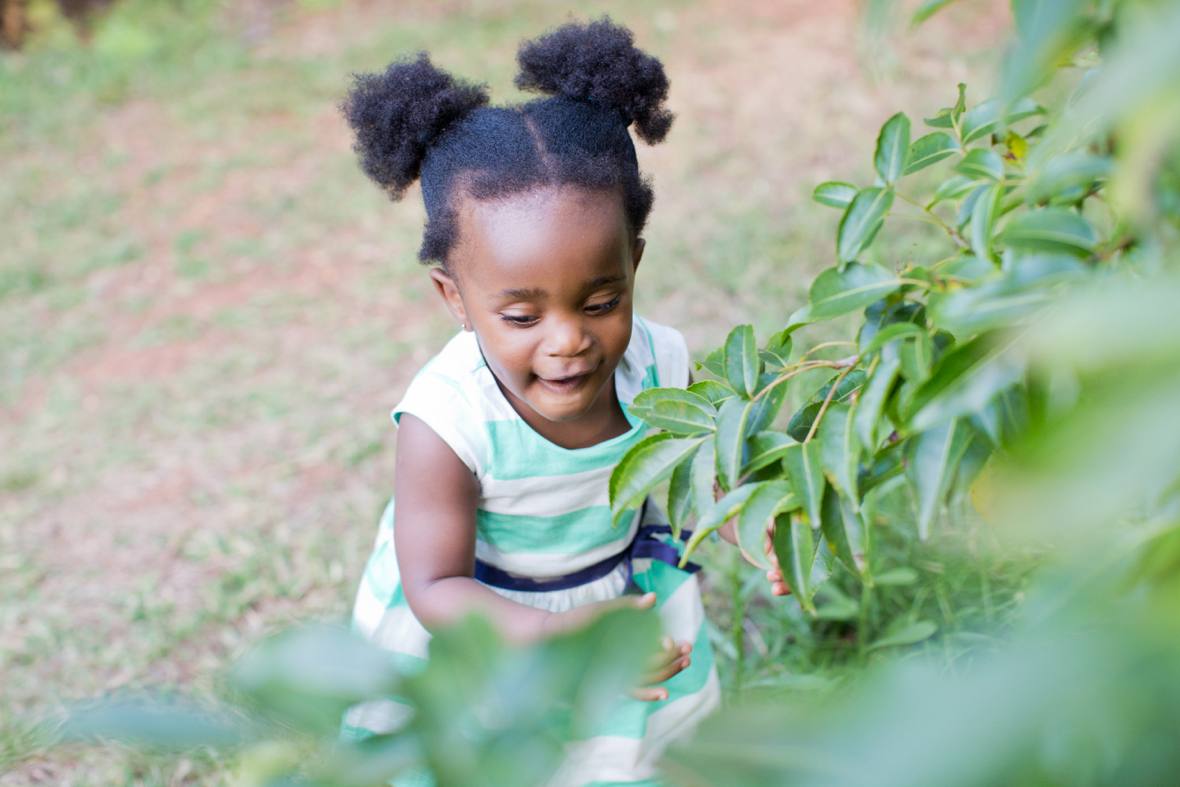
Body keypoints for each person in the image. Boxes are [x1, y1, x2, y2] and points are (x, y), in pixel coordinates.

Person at [336, 18, 786, 785]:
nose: (568, 339)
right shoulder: (446, 422)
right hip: (488, 631)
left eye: (602, 298)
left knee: (622, 758)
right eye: (521, 315)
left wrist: (751, 519)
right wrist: (564, 637)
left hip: (619, 604)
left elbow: (696, 469)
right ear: (455, 297)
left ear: (633, 261)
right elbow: (435, 584)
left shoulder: (662, 361)